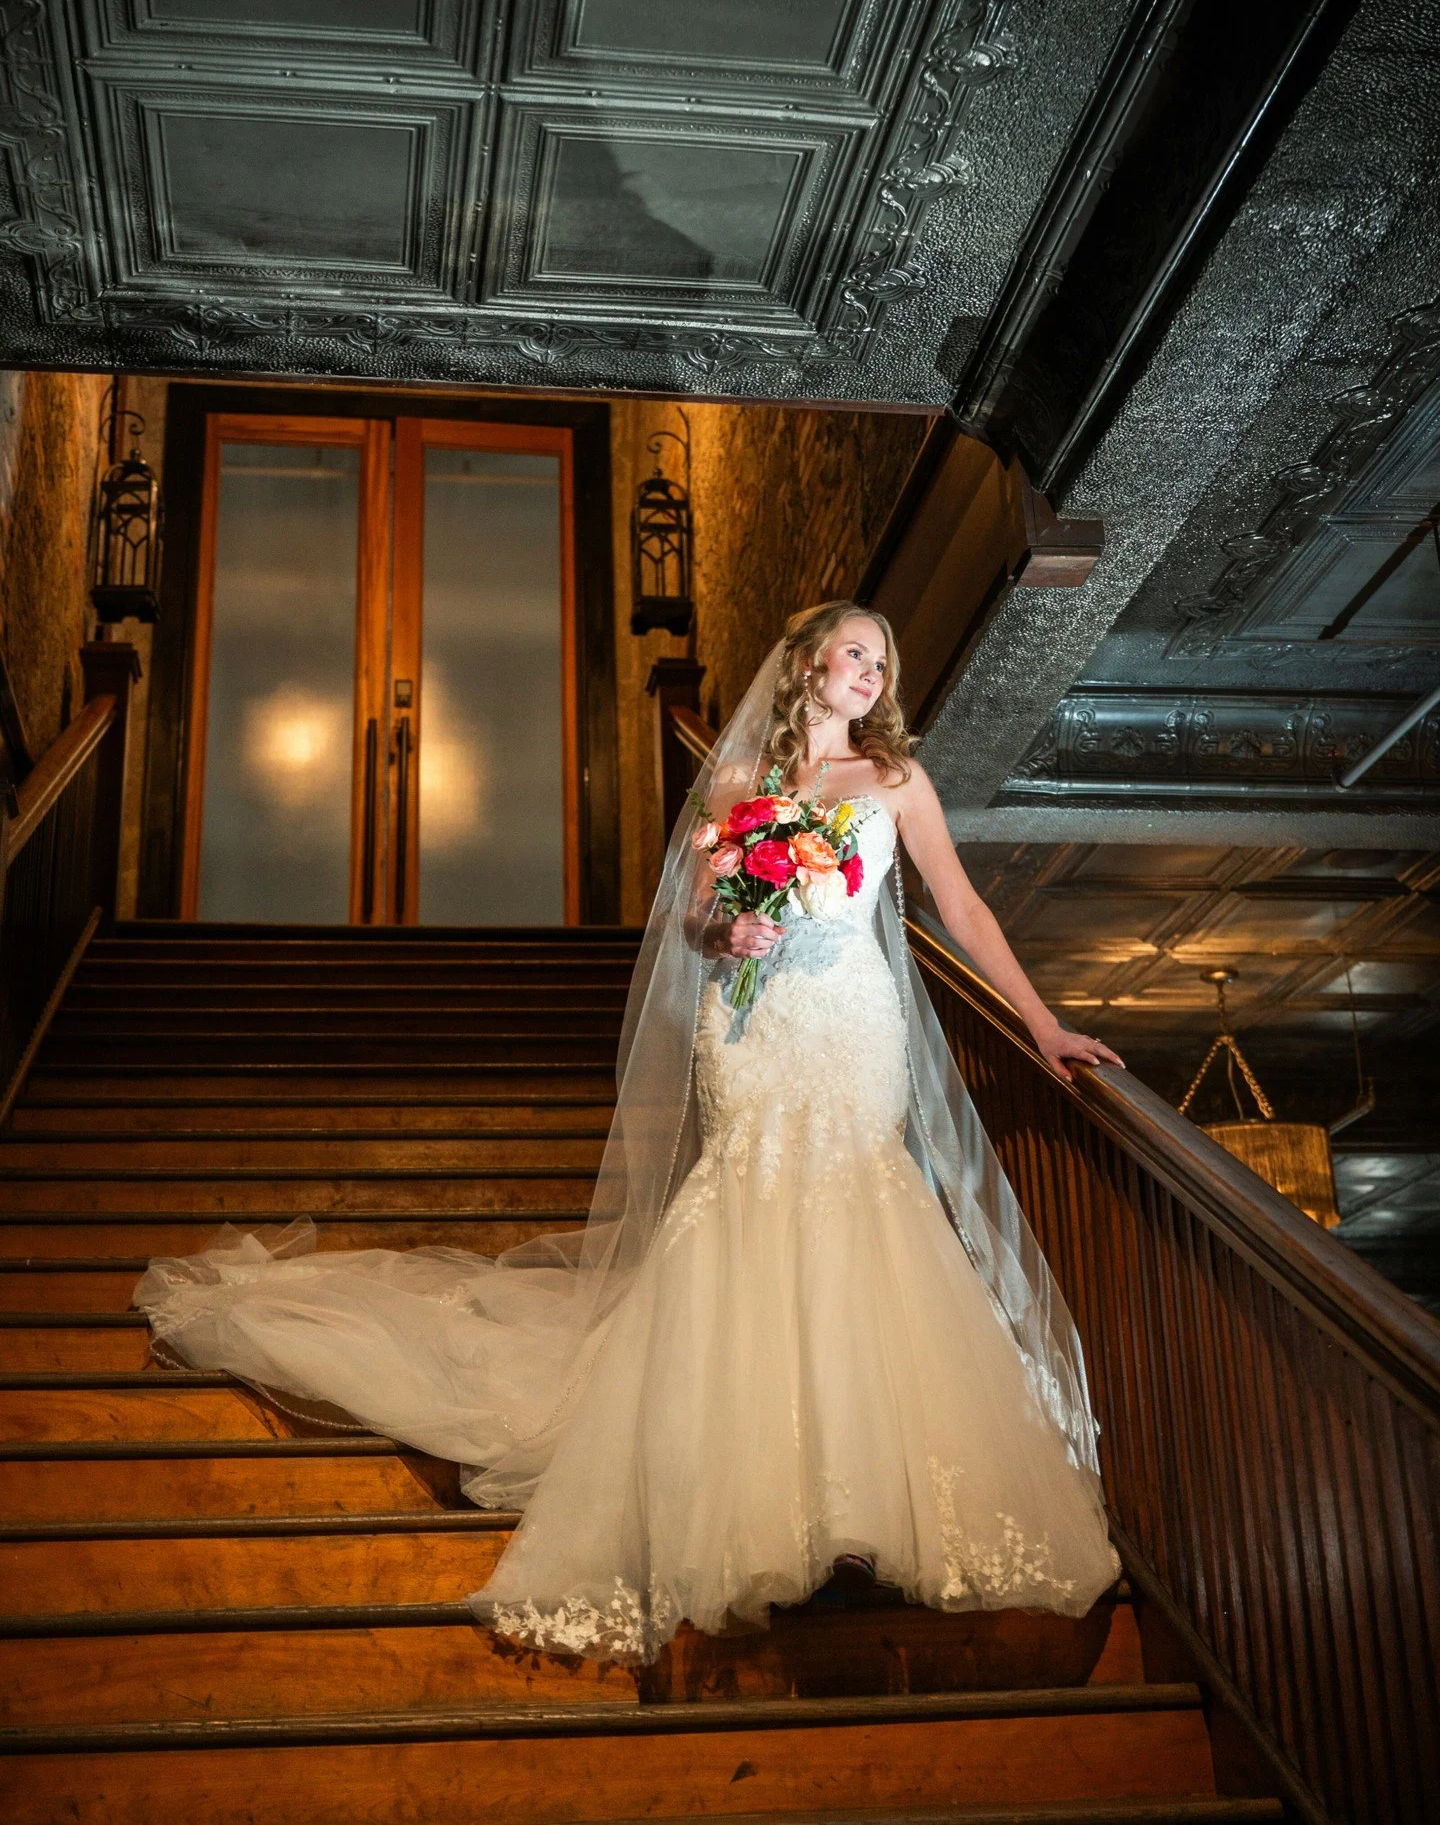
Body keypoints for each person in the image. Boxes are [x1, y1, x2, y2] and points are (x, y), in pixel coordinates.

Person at [135, 601, 1125, 1664]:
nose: (873, 671)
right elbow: (696, 920)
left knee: (862, 1217)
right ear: (806, 666)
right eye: (854, 652)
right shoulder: (745, 790)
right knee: (749, 1215)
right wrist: (730, 926)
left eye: (885, 658)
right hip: (755, 1028)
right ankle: (756, 1499)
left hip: (851, 1029)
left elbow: (964, 911)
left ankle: (865, 1502)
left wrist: (1042, 1020)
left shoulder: (895, 785)